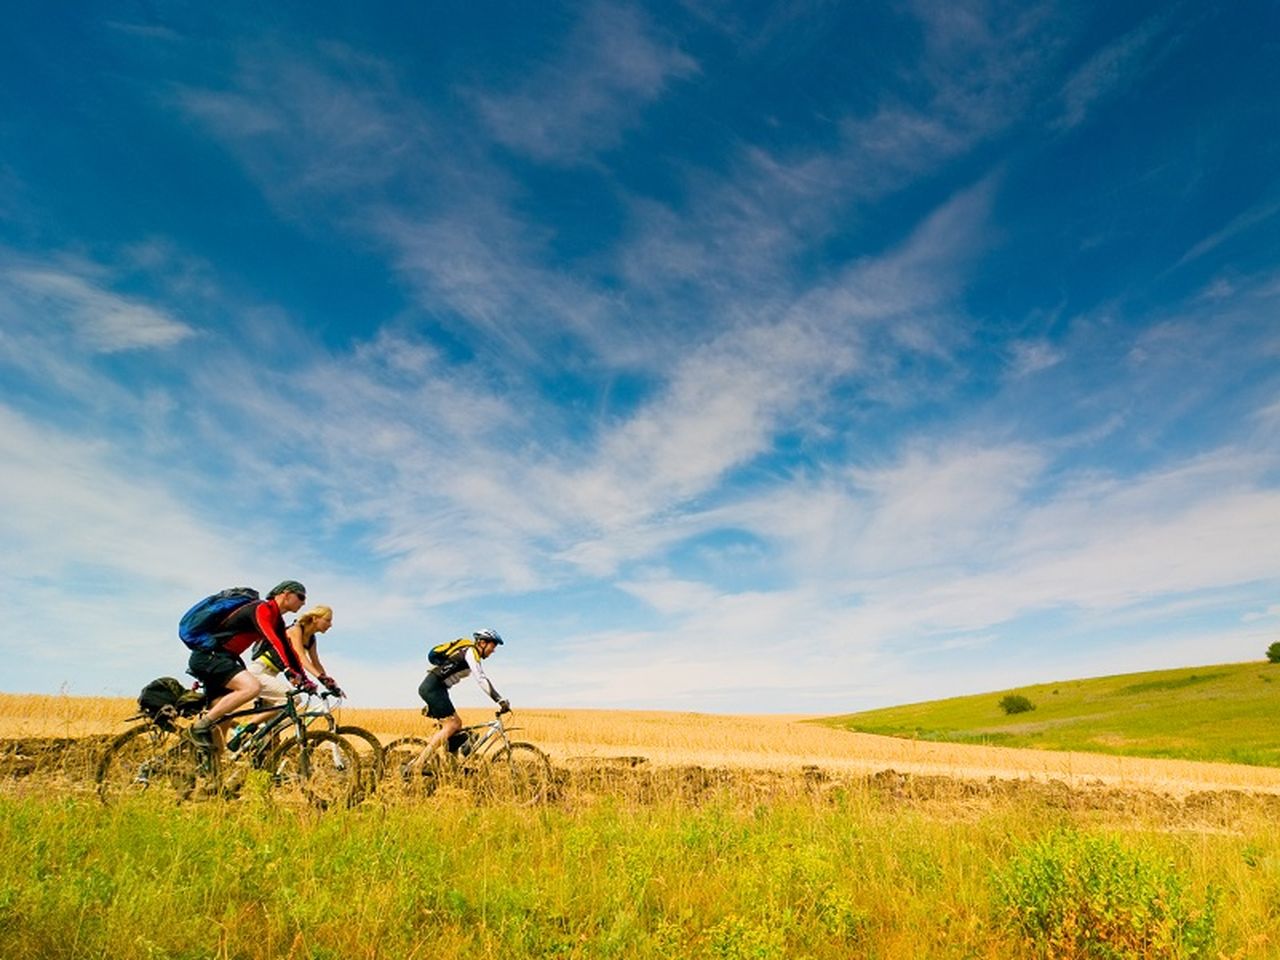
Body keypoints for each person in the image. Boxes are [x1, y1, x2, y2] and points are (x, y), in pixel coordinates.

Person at [186, 580, 315, 749]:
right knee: (251, 687)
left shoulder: (277, 620)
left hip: (225, 659)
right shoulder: (262, 609)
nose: (304, 602)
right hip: (210, 657)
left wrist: (304, 678)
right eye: (301, 597)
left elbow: (288, 650)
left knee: (224, 719)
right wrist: (288, 671)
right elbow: (273, 640)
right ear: (286, 594)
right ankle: (199, 727)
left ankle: (212, 770)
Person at [417, 628, 509, 758]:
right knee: (452, 725)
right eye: (492, 646)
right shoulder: (471, 652)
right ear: (482, 643)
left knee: (456, 731)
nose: (493, 651)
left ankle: (452, 767)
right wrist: (499, 699)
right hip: (434, 688)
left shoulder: (468, 652)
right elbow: (481, 679)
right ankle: (417, 765)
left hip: (437, 689)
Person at [246, 604, 344, 708]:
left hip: (272, 674)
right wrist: (319, 678)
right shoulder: (295, 630)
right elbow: (300, 657)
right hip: (260, 670)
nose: (330, 624)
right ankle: (249, 725)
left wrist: (329, 684)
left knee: (272, 719)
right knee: (292, 700)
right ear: (315, 618)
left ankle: (253, 725)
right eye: (328, 620)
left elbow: (316, 663)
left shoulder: (311, 639)